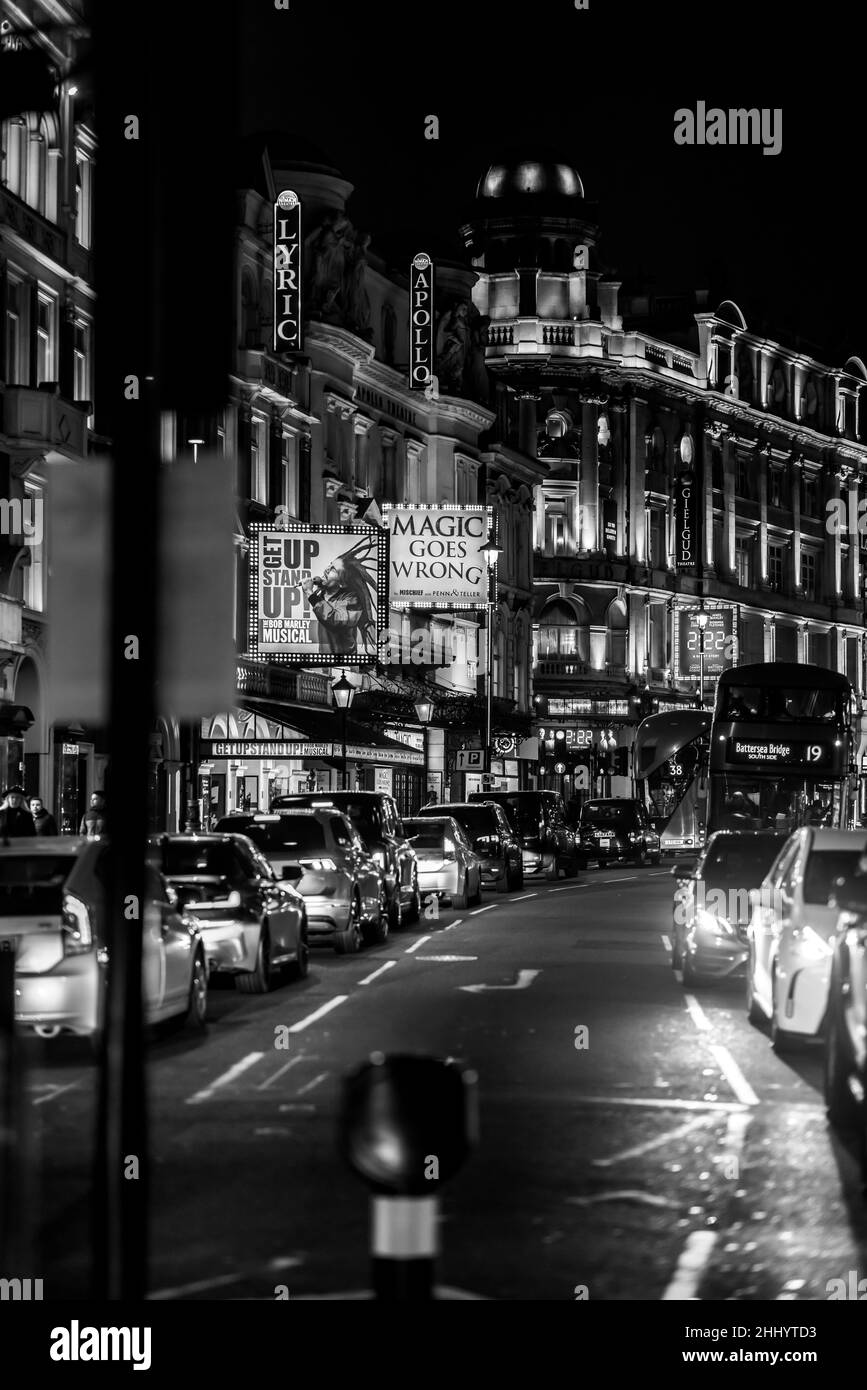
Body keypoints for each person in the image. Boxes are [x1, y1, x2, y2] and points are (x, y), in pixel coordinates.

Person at [301, 537, 379, 657]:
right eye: (329, 565)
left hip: (343, 664)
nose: (327, 569)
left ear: (343, 582)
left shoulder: (352, 600)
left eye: (333, 569)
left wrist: (310, 594)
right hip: (324, 660)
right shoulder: (323, 594)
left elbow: (335, 620)